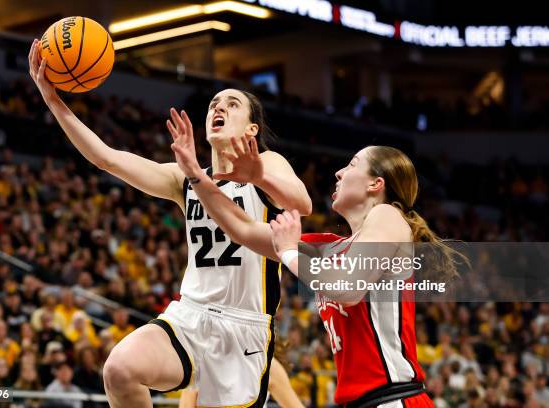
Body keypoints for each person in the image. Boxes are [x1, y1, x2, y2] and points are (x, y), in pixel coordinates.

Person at [28, 39, 311, 408]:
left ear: (252, 130)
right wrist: (52, 99)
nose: (218, 107)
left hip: (242, 329)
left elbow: (300, 203)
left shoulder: (267, 164)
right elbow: (106, 159)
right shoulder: (184, 178)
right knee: (120, 369)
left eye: (231, 103)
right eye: (214, 104)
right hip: (188, 316)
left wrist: (258, 175)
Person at [169, 128, 464, 407]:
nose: (339, 172)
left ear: (376, 184)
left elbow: (348, 288)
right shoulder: (328, 245)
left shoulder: (388, 215)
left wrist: (288, 253)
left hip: (395, 397)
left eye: (351, 165)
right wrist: (198, 177)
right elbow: (243, 230)